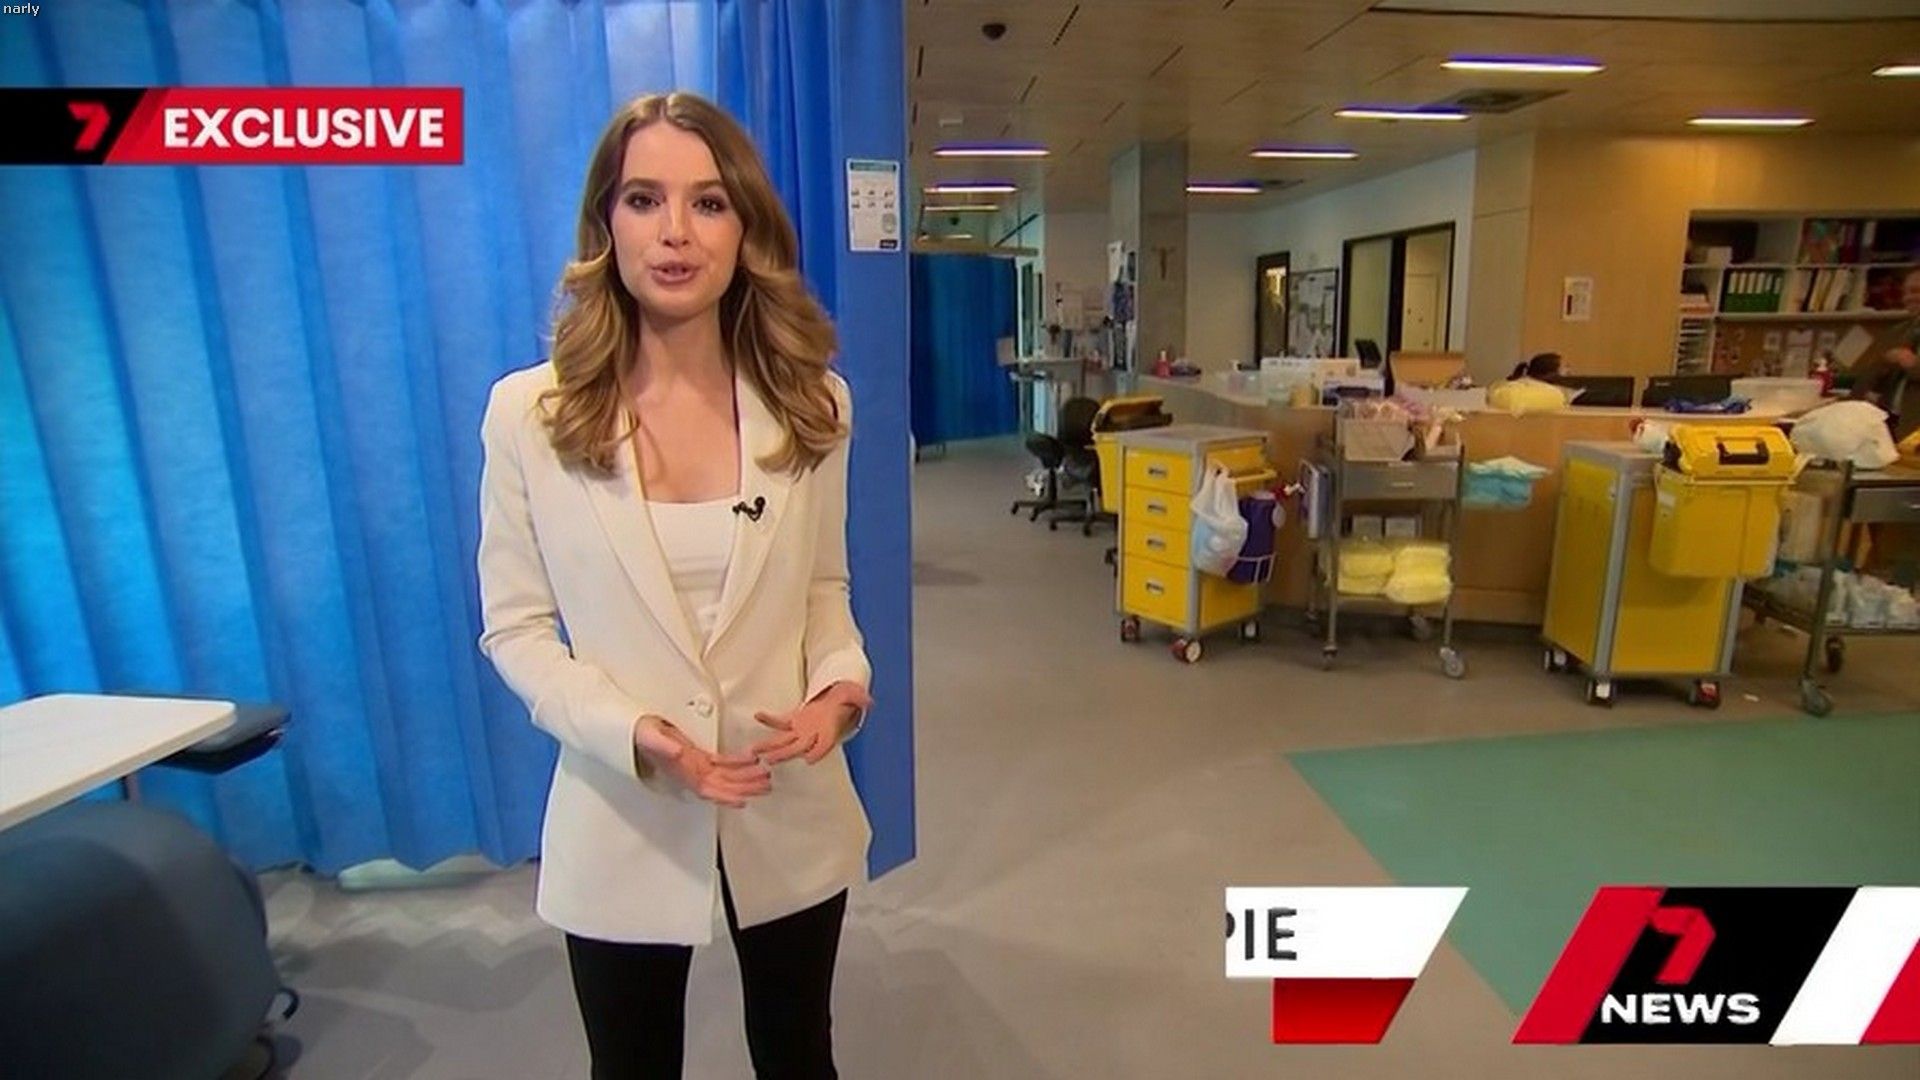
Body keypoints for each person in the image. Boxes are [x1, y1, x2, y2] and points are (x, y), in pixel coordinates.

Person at [476, 91, 873, 1079]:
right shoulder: (529, 415)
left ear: (747, 228)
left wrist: (841, 688)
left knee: (799, 1054)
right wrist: (637, 734)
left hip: (784, 796)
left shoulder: (814, 402)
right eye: (644, 199)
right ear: (606, 222)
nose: (676, 232)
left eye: (708, 203)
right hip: (623, 806)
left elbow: (824, 588)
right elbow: (516, 629)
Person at [1849, 267, 1920, 431]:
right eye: (1905, 292)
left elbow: (1912, 365)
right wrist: (1883, 364)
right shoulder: (1899, 332)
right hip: (1890, 423)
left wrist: (1914, 364)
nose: (1908, 298)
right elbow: (1867, 378)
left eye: (1915, 291)